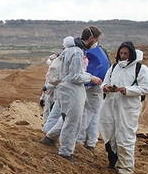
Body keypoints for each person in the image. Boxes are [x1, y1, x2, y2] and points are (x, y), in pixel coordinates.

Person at [39, 27, 103, 163]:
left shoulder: (69, 50)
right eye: (96, 40)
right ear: (91, 39)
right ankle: (66, 152)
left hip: (65, 90)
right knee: (73, 121)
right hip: (72, 91)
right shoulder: (77, 53)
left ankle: (50, 137)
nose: (96, 43)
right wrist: (90, 78)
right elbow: (74, 76)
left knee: (66, 118)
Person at [99, 41, 148, 174]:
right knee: (110, 134)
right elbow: (105, 81)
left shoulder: (140, 69)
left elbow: (145, 87)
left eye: (126, 53)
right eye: (121, 53)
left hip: (128, 108)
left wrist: (127, 90)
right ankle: (114, 162)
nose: (123, 56)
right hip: (111, 105)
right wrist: (105, 87)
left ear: (131, 54)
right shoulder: (115, 67)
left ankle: (126, 168)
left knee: (125, 136)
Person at [77, 41, 111, 149]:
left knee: (84, 114)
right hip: (97, 86)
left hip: (87, 85)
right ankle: (90, 143)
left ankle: (81, 140)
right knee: (95, 116)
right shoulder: (101, 53)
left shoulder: (85, 52)